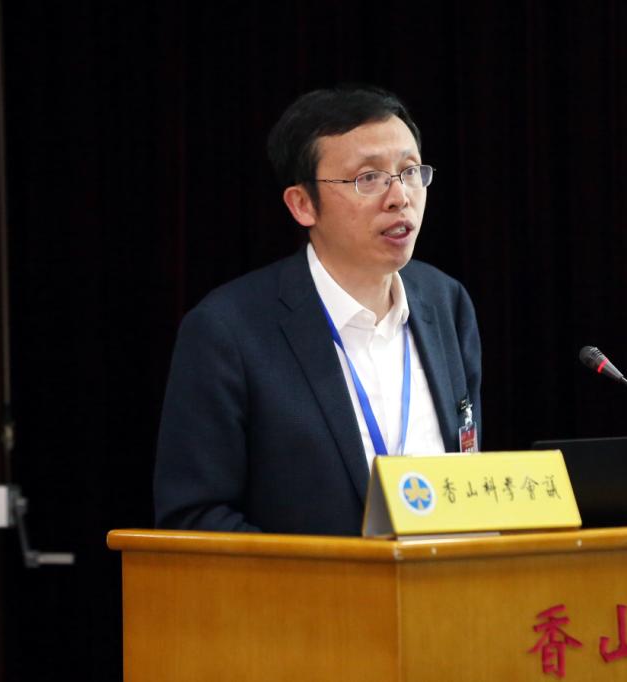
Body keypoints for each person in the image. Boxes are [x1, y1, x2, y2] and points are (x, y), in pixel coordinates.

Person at [153, 86, 481, 535]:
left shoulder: (447, 303)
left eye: (409, 171)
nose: (399, 196)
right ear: (303, 204)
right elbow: (195, 517)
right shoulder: (227, 331)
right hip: (310, 583)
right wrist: (326, 576)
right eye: (368, 178)